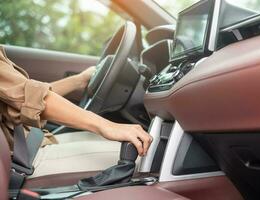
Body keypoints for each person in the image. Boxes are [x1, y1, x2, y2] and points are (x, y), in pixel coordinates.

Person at [0, 46, 152, 178]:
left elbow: (21, 93)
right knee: (147, 162)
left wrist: (80, 80)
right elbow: (30, 98)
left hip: (27, 143)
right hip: (20, 162)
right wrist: (107, 126)